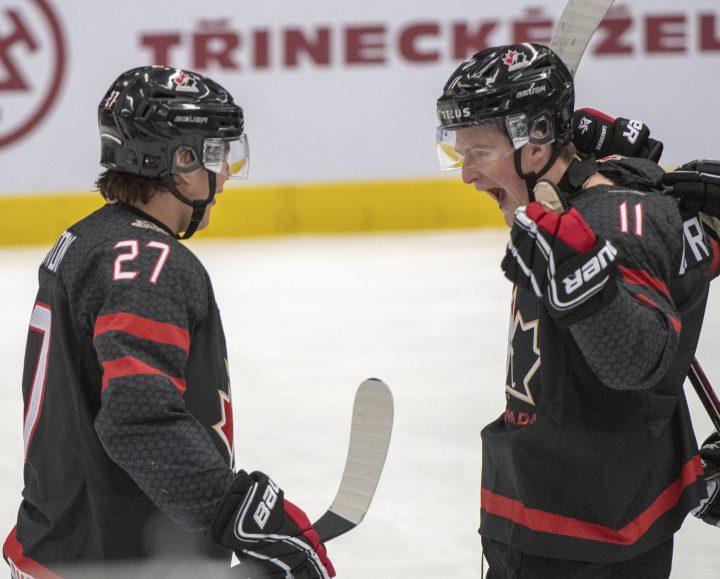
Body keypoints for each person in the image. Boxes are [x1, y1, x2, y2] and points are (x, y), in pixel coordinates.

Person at [2, 65, 335, 579]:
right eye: (215, 154)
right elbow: (136, 417)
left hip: (64, 543)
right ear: (179, 160)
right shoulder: (146, 262)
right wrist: (241, 514)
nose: (224, 176)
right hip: (118, 561)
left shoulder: (91, 238)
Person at [436, 42, 719, 578]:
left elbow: (637, 362)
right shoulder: (570, 210)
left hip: (583, 533)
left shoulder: (608, 223)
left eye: (479, 152)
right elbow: (687, 268)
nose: (466, 175)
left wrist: (587, 286)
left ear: (538, 139)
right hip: (553, 510)